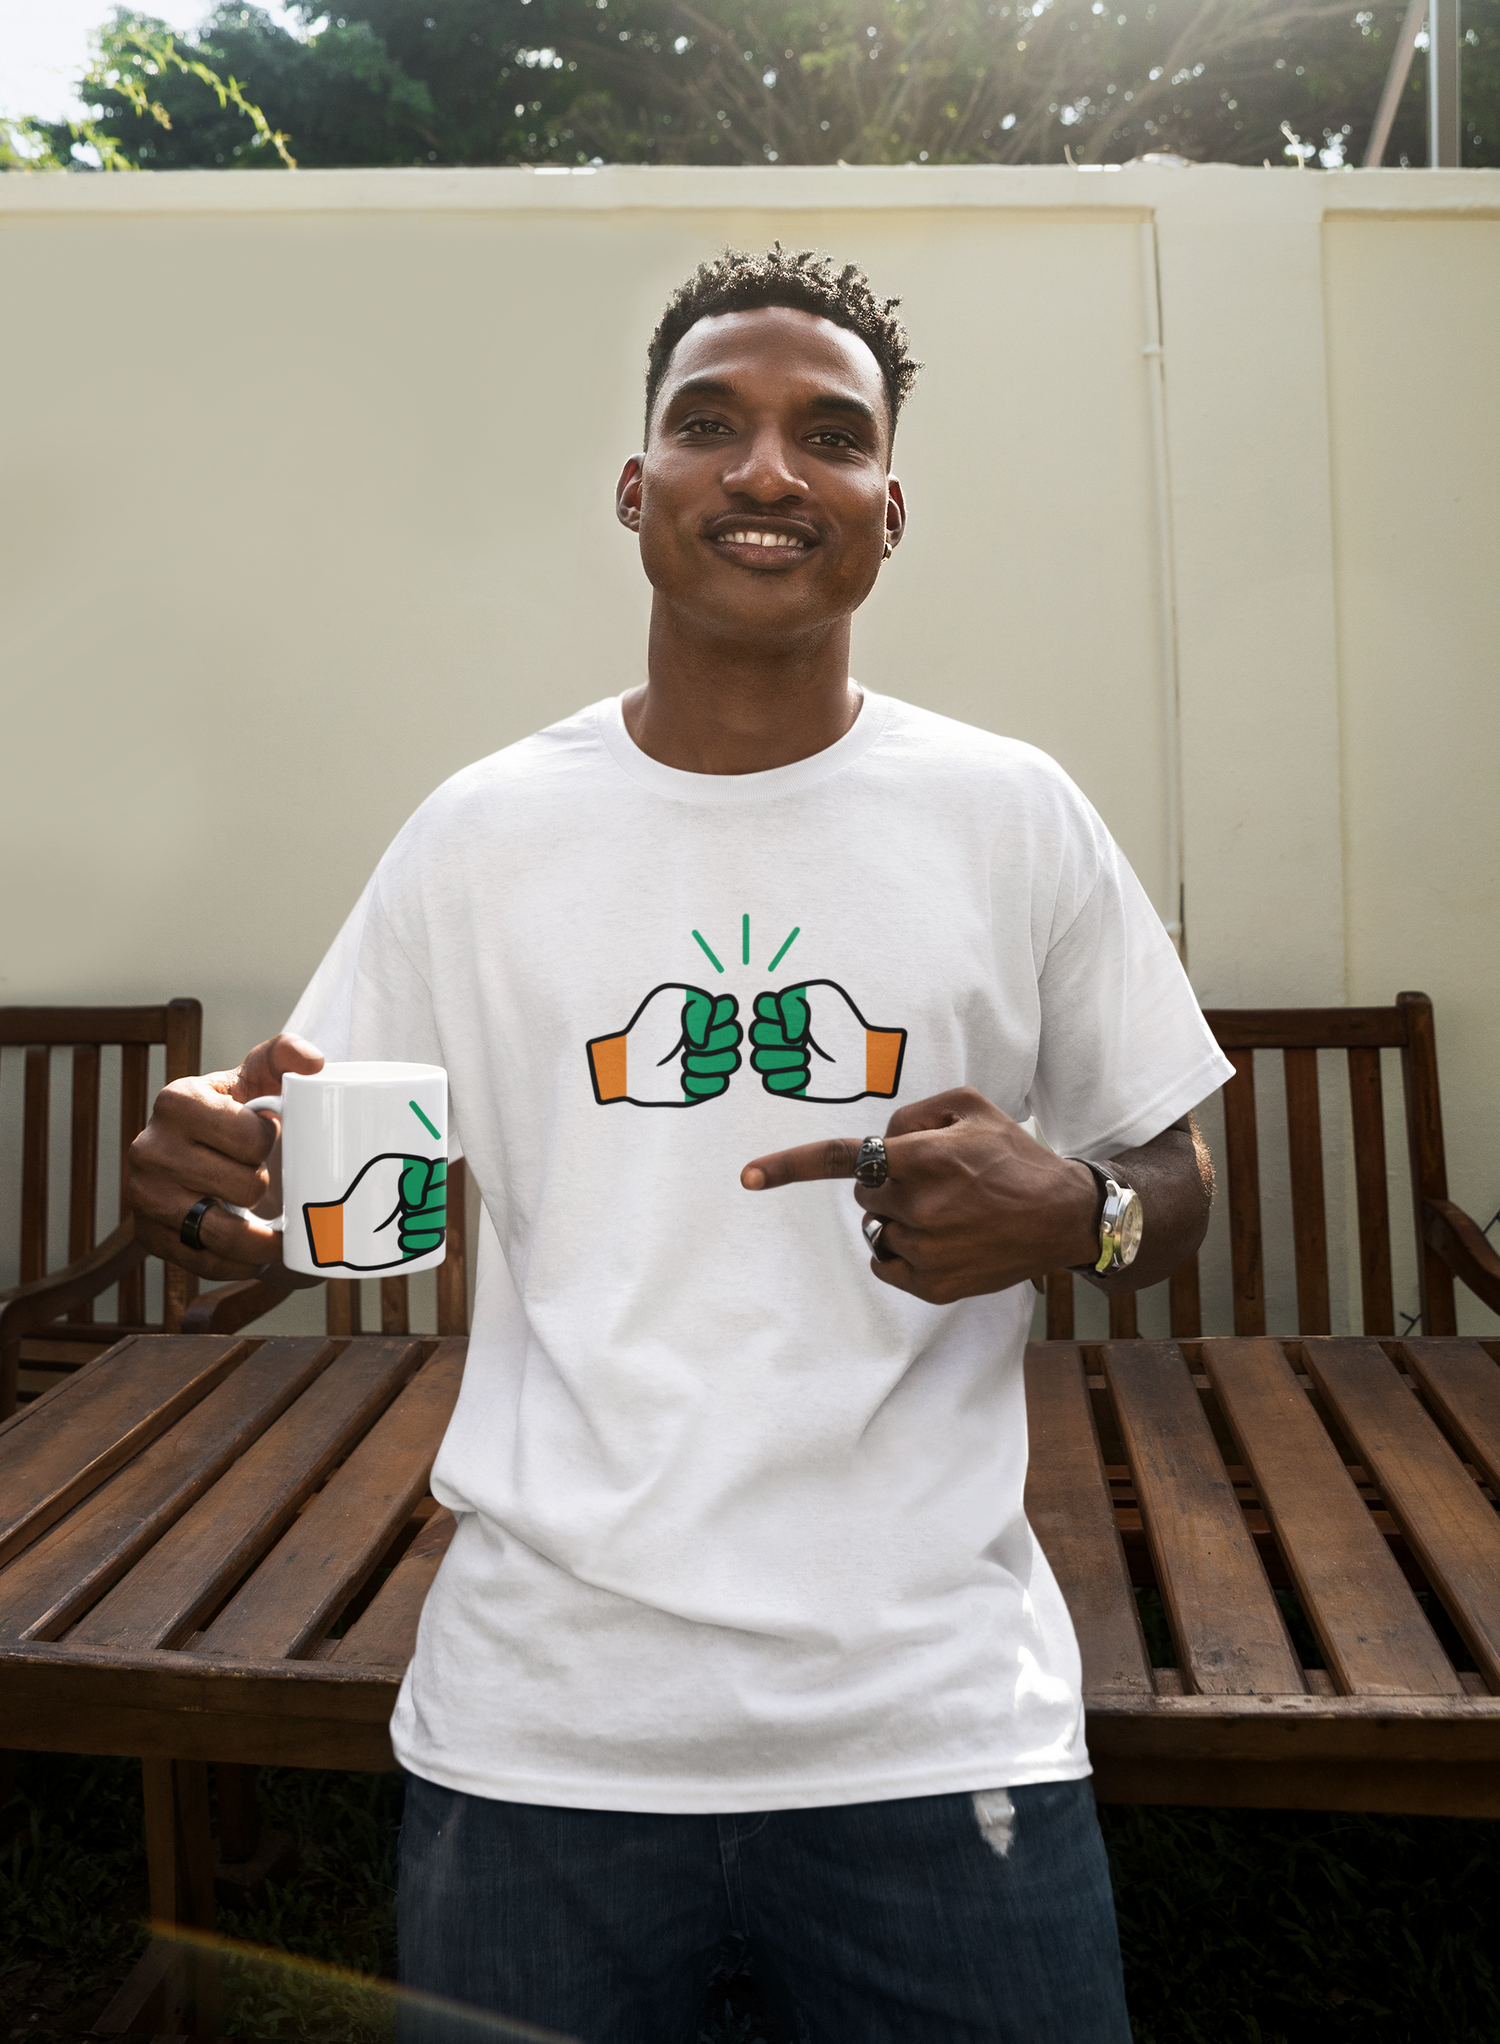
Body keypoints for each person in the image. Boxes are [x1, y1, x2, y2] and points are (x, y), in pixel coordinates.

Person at [130, 244, 1230, 2044]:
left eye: (830, 435)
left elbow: (1170, 1191)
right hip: (545, 1725)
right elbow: (303, 1172)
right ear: (637, 488)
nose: (768, 469)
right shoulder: (480, 835)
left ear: (891, 508)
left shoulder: (1012, 814)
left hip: (934, 1716)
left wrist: (1079, 1212)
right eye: (709, 424)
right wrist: (209, 1199)